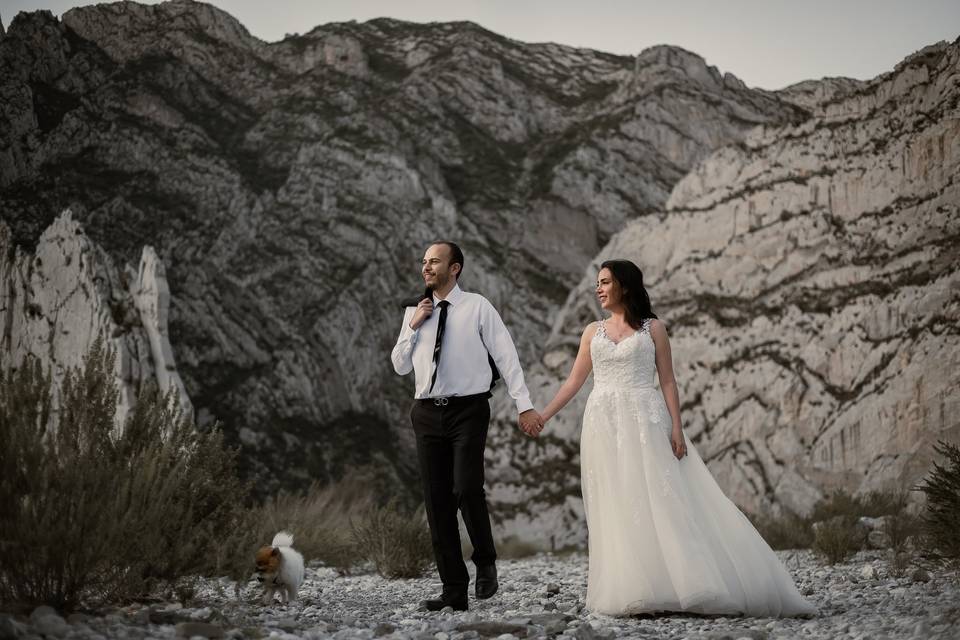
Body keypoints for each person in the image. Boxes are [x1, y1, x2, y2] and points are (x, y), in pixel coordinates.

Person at [529, 259, 816, 617]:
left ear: (626, 286)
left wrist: (677, 428)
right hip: (603, 423)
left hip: (647, 419)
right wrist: (542, 415)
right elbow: (573, 382)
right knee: (618, 501)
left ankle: (693, 583)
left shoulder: (654, 329)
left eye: (605, 282)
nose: (599, 289)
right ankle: (635, 590)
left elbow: (667, 380)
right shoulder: (592, 332)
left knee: (663, 497)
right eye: (597, 284)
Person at [391, 241, 544, 612]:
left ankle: (486, 560)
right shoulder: (415, 311)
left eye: (434, 261)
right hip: (425, 412)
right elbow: (399, 366)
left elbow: (507, 357)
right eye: (424, 261)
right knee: (436, 500)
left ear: (454, 268)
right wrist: (413, 327)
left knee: (466, 486)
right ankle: (454, 590)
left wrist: (524, 405)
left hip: (469, 410)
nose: (426, 267)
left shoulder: (478, 306)